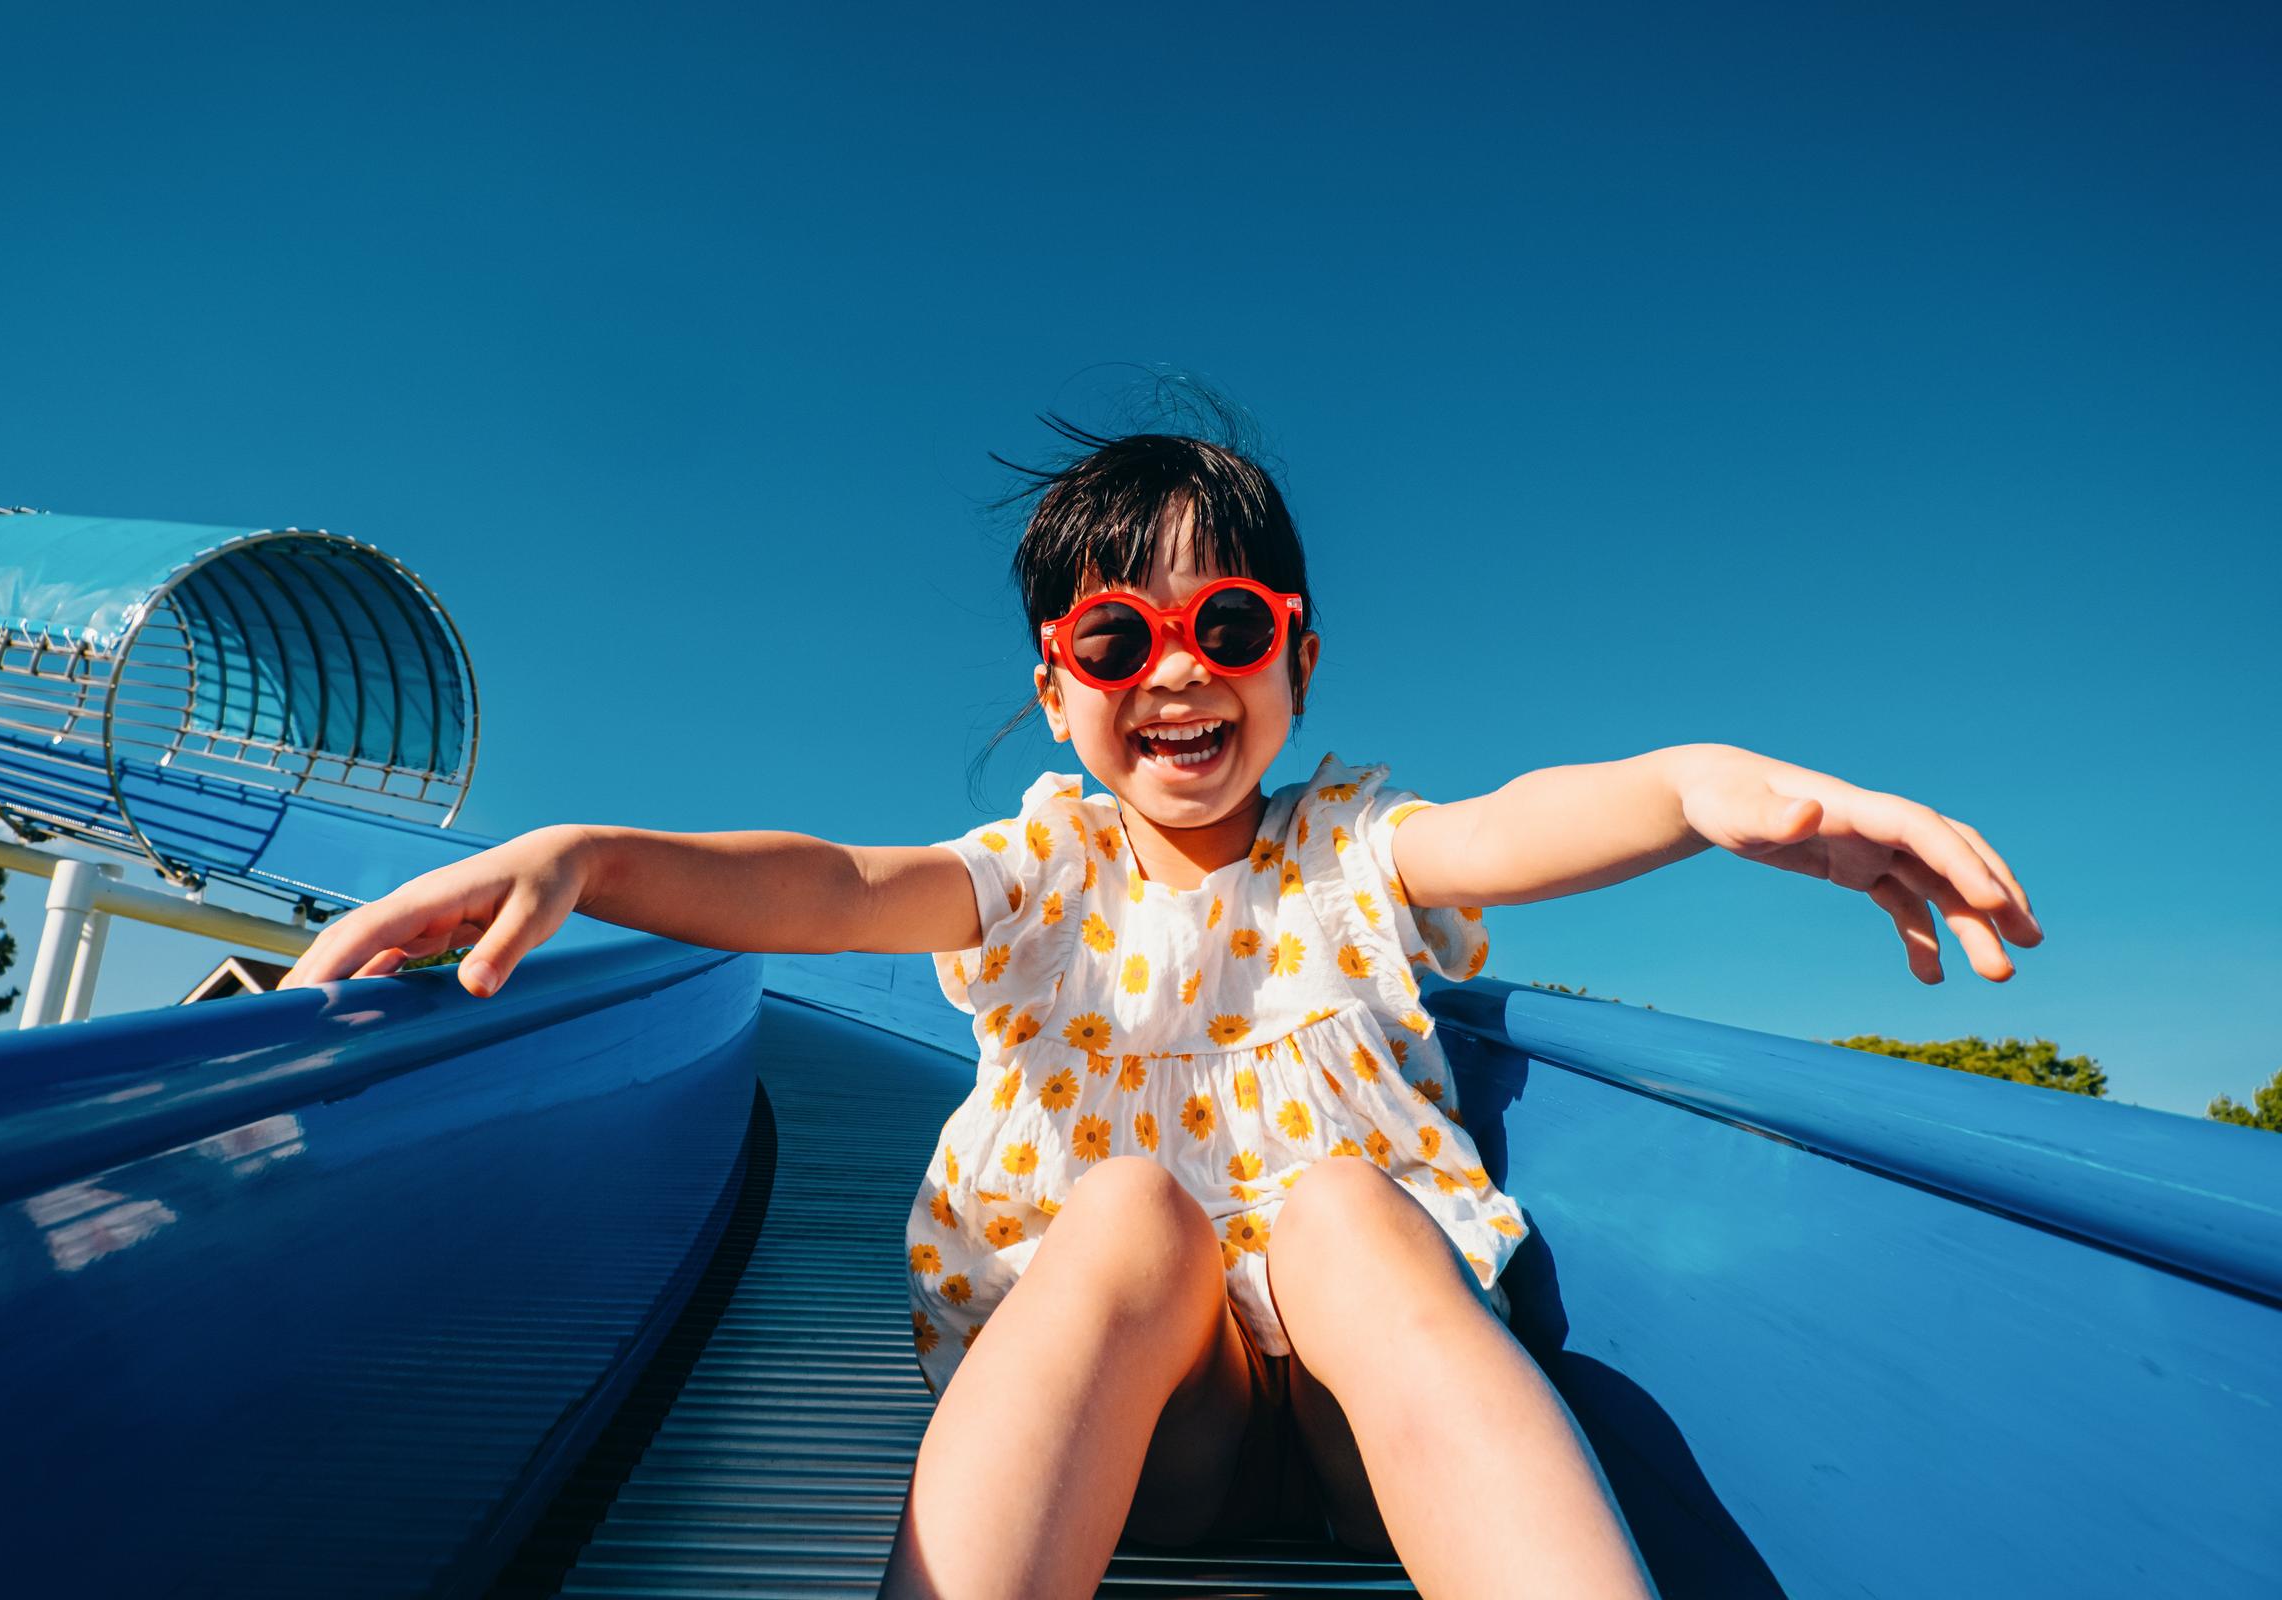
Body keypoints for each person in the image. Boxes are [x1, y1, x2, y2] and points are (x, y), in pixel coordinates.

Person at [283, 426, 2040, 1599]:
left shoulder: (1354, 851)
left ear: (1298, 658)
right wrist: (595, 857)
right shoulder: (1040, 875)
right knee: (1129, 1209)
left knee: (1351, 1212)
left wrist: (1698, 784)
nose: (1178, 667)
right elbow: (833, 887)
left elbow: (1519, 824)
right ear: (1060, 692)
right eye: (1117, 641)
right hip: (1151, 1434)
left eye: (1228, 621)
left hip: (1366, 1433)